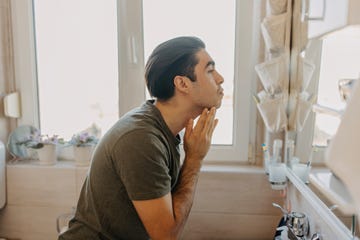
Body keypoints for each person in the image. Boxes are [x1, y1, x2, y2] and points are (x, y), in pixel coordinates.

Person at [59, 36, 224, 240]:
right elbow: (166, 236)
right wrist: (194, 160)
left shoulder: (162, 129)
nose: (220, 78)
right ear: (182, 83)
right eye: (210, 70)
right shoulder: (141, 139)